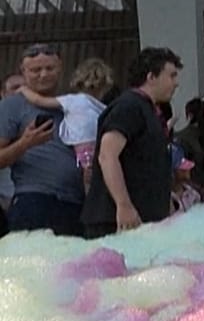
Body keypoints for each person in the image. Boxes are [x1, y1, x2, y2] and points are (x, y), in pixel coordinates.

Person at [81, 48, 181, 238]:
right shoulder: (129, 106)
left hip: (145, 219)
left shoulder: (150, 110)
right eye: (172, 76)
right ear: (151, 77)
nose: (176, 83)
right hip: (116, 220)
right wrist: (123, 204)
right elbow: (108, 155)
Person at [0, 44, 83, 235]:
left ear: (60, 68)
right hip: (34, 199)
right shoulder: (11, 106)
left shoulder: (72, 103)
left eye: (49, 68)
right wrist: (25, 143)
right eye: (36, 70)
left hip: (75, 201)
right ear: (23, 72)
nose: (43, 75)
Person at [17, 57, 113, 193]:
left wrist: (24, 90)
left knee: (87, 181)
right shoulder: (101, 107)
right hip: (99, 147)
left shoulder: (72, 100)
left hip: (83, 147)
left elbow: (39, 100)